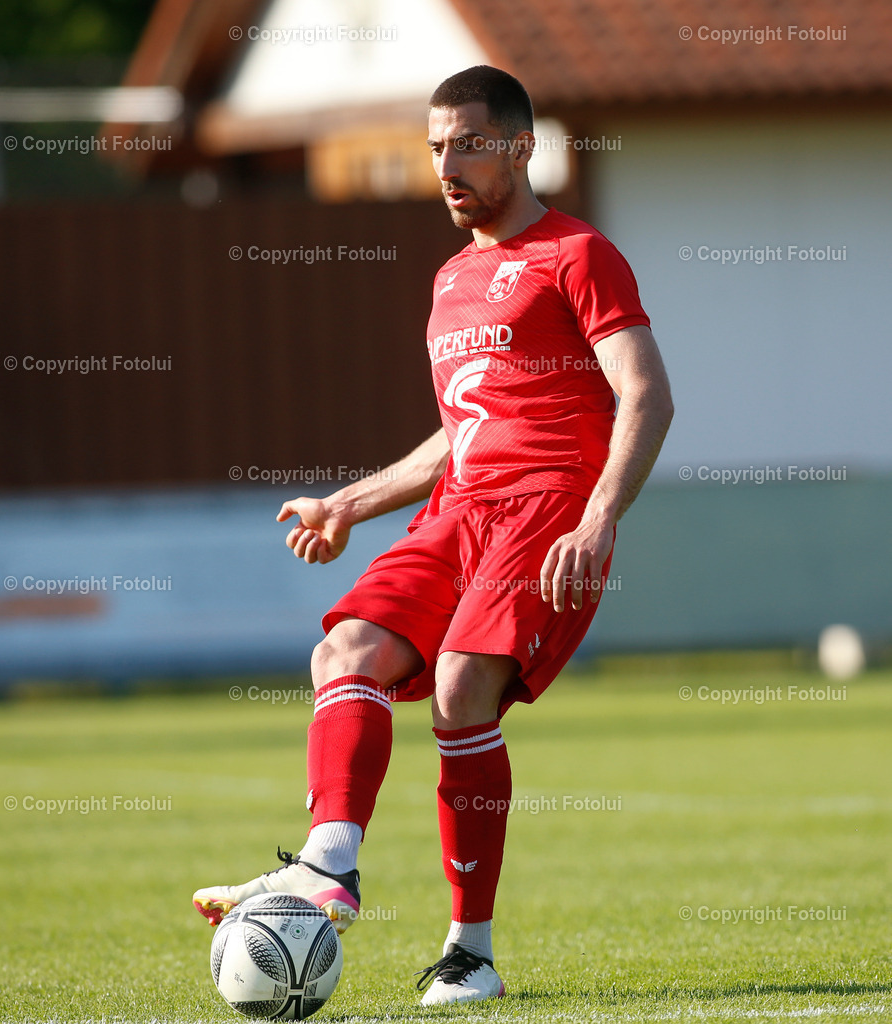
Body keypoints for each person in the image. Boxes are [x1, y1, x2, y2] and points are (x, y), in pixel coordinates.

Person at [193, 65, 673, 1005]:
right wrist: (348, 504)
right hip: (458, 510)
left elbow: (646, 393)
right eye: (437, 147)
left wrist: (600, 516)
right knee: (348, 648)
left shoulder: (578, 253)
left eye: (467, 143)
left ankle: (471, 950)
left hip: (547, 507)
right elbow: (460, 433)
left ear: (520, 145)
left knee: (459, 688)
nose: (447, 164)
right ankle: (332, 861)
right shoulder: (451, 278)